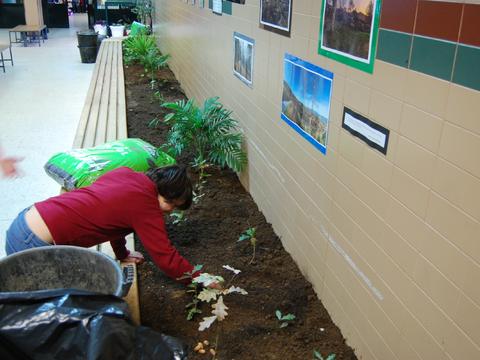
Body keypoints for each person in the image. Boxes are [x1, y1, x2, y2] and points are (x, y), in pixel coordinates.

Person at [5, 165, 200, 283]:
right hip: (32, 247)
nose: (170, 210)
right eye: (169, 202)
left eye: (176, 207)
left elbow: (113, 222)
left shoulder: (125, 174)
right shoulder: (146, 205)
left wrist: (122, 253)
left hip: (22, 224)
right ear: (159, 187)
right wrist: (200, 278)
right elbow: (165, 256)